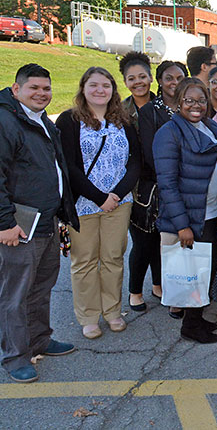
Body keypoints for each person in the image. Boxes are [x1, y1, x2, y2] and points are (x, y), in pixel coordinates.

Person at [0, 64, 78, 383]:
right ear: (16, 89)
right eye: (33, 88)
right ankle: (15, 356)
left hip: (46, 221)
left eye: (46, 89)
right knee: (16, 293)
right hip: (17, 225)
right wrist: (5, 223)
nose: (41, 94)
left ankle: (39, 339)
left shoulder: (39, 120)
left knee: (41, 286)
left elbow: (54, 170)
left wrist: (62, 213)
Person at [55, 67, 141, 339]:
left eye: (106, 85)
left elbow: (135, 162)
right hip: (83, 204)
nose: (100, 90)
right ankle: (89, 316)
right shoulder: (69, 121)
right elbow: (68, 165)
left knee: (114, 258)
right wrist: (99, 197)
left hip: (119, 202)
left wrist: (115, 195)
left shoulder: (123, 121)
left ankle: (112, 311)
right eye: (93, 85)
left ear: (113, 90)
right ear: (83, 88)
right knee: (85, 261)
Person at [154, 78, 217, 344]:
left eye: (201, 100)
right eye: (189, 100)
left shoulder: (208, 127)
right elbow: (167, 183)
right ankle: (190, 326)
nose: (196, 106)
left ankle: (196, 318)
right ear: (178, 103)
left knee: (203, 271)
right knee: (190, 273)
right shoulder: (169, 133)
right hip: (188, 218)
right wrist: (182, 225)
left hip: (210, 213)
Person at [138, 61, 187, 318]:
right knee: (165, 243)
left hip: (191, 185)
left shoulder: (193, 106)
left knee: (187, 244)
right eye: (169, 78)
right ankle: (172, 296)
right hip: (163, 186)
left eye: (179, 77)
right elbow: (149, 151)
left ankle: (188, 291)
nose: (174, 82)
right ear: (159, 81)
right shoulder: (149, 112)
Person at [118, 52, 159, 312]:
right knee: (142, 240)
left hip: (162, 181)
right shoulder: (120, 112)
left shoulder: (163, 107)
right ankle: (135, 291)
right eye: (131, 78)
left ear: (151, 77)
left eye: (142, 76)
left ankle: (158, 285)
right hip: (135, 185)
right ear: (125, 81)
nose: (138, 82)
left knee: (160, 238)